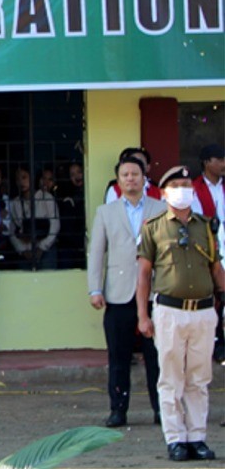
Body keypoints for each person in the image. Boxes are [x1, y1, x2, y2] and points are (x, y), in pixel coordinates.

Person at [137, 166, 224, 462]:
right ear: (163, 193)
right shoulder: (153, 227)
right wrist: (143, 315)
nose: (182, 190)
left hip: (203, 310)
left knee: (199, 378)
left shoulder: (205, 226)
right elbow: (144, 274)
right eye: (175, 185)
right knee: (171, 378)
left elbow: (216, 268)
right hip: (169, 311)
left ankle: (197, 437)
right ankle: (175, 439)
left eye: (186, 184)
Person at [89, 156, 165, 428]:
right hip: (118, 292)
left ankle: (162, 409)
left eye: (135, 174)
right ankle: (118, 410)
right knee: (118, 356)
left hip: (155, 292)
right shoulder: (105, 212)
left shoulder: (160, 208)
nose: (130, 178)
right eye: (125, 175)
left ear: (144, 178)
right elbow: (97, 253)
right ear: (118, 180)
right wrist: (95, 288)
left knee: (157, 357)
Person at [190, 143, 225, 363]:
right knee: (213, 297)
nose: (223, 164)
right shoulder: (194, 188)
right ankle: (216, 343)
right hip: (209, 247)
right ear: (206, 162)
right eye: (219, 159)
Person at [6, 166, 60, 270]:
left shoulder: (46, 197)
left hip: (47, 250)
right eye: (18, 179)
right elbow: (12, 230)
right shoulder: (15, 203)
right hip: (25, 252)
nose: (21, 182)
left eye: (24, 177)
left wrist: (42, 247)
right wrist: (23, 250)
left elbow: (55, 225)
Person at [59, 161, 87, 270]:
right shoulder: (67, 198)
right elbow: (68, 228)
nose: (77, 176)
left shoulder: (89, 192)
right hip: (72, 248)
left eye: (79, 172)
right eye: (72, 174)